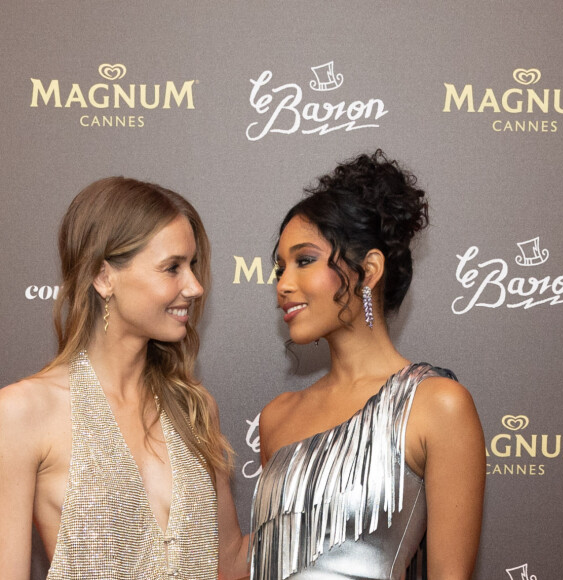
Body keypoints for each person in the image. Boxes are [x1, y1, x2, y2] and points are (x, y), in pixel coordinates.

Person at [250, 151, 486, 580]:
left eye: (304, 260)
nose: (283, 284)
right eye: (280, 267)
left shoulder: (437, 405)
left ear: (369, 270)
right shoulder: (277, 417)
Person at [0, 177, 249, 579]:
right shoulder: (22, 413)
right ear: (103, 277)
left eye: (193, 266)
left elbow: (230, 563)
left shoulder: (194, 405)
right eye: (173, 268)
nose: (195, 286)